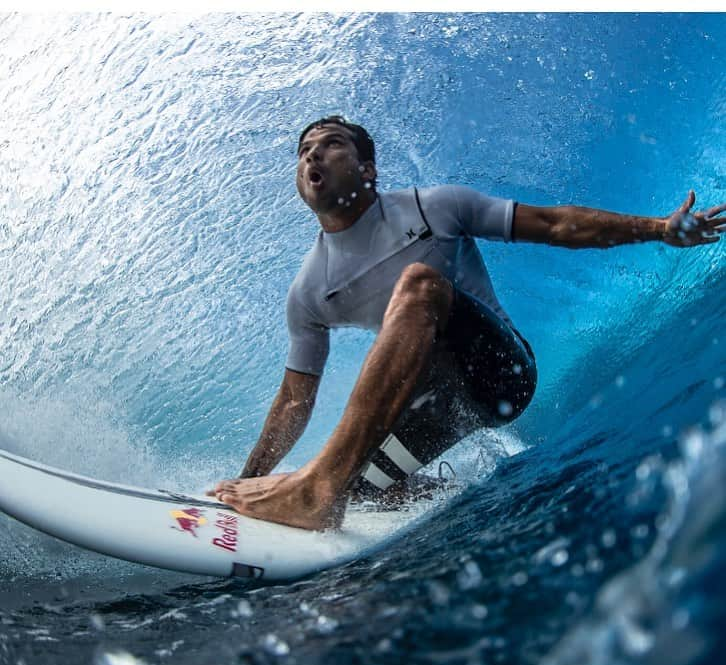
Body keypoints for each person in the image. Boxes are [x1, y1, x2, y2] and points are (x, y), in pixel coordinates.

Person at [208, 115, 726, 531]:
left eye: (331, 144)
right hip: (431, 401)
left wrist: (657, 228)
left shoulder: (435, 207)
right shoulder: (310, 291)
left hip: (501, 374)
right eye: (303, 151)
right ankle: (395, 488)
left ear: (368, 169)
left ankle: (319, 488)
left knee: (420, 283)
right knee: (363, 489)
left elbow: (552, 224)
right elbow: (295, 400)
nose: (313, 155)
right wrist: (245, 483)